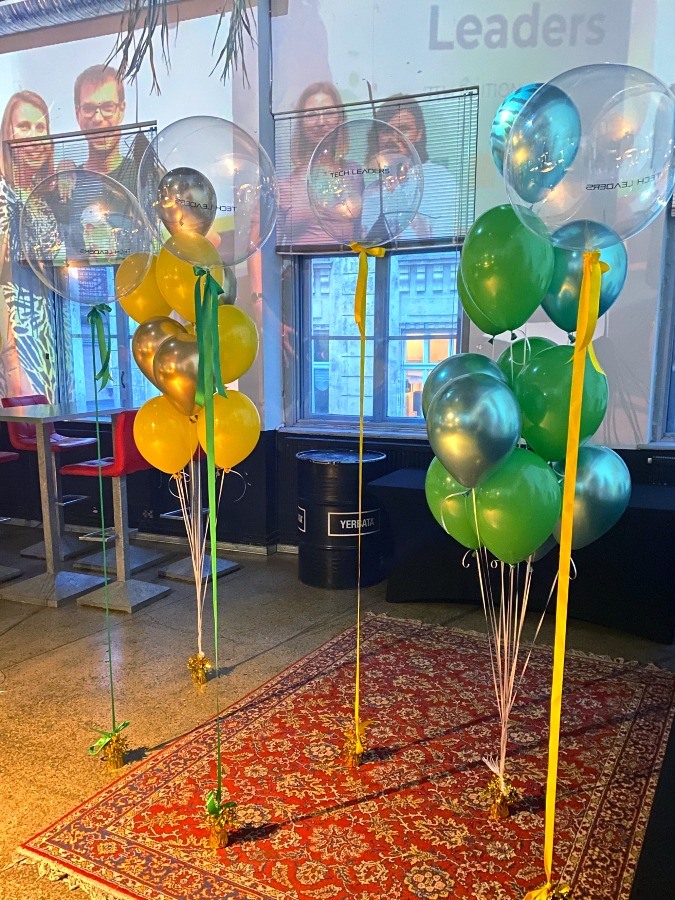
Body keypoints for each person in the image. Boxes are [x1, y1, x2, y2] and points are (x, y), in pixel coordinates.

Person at [0, 91, 60, 400]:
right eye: (24, 126)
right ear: (7, 133)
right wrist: (11, 362)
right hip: (16, 339)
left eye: (40, 128)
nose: (34, 137)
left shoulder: (40, 199)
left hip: (44, 332)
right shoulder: (2, 193)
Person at [361, 95, 457, 242]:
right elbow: (368, 244)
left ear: (418, 134)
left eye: (403, 129)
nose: (394, 138)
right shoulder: (370, 192)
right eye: (386, 131)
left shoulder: (440, 179)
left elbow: (443, 243)